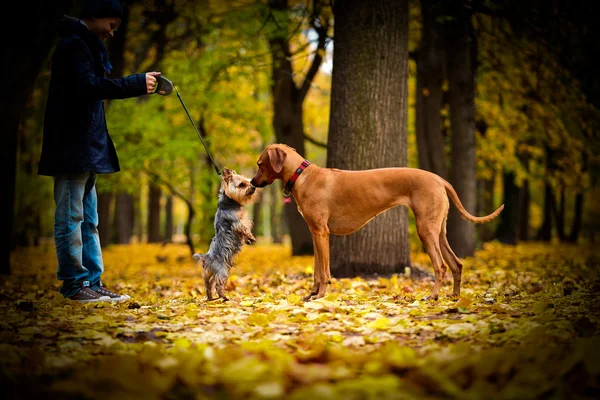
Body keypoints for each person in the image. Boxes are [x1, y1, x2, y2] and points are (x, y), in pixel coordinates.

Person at [38, 0, 161, 302]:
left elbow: (92, 91)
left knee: (89, 219)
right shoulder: (72, 46)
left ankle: (92, 282)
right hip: (71, 147)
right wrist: (133, 84)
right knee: (70, 217)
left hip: (87, 148)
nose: (112, 33)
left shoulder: (86, 45)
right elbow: (88, 88)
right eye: (111, 25)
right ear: (93, 17)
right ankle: (74, 284)